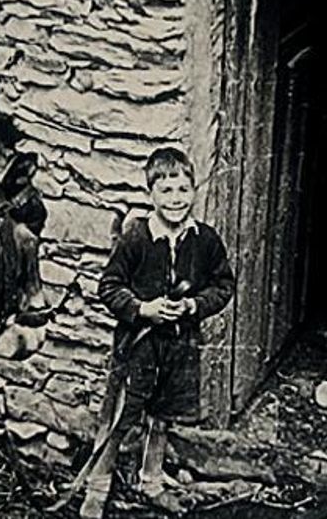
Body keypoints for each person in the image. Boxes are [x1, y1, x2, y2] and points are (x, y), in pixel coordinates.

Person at [79, 147, 235, 518]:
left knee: (161, 417)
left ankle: (151, 481)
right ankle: (96, 487)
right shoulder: (136, 238)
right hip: (138, 347)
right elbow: (109, 286)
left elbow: (223, 285)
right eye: (166, 191)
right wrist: (142, 309)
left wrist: (194, 305)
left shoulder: (205, 239)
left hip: (180, 345)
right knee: (118, 417)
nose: (176, 199)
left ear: (194, 190)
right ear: (151, 194)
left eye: (183, 190)